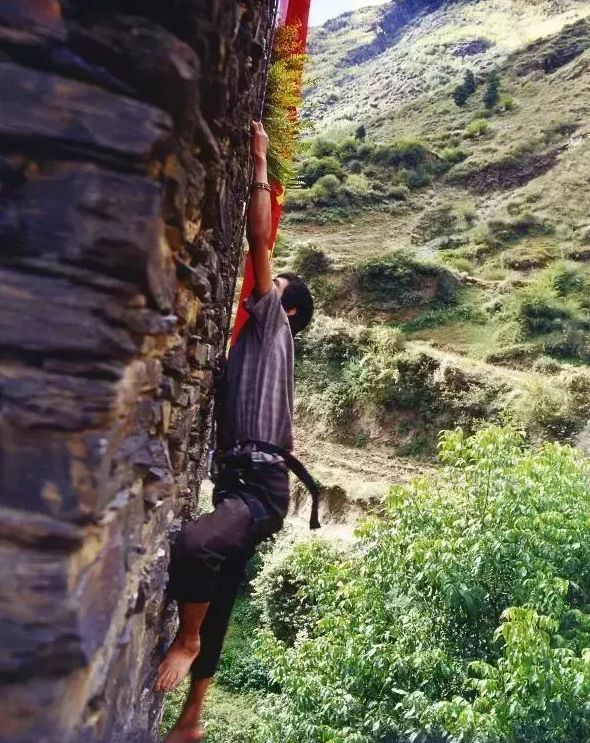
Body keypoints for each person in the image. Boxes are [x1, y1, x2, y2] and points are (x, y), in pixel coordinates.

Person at [155, 121, 315, 742]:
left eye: (274, 284)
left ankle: (188, 641)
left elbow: (257, 236)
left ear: (288, 307)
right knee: (219, 583)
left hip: (261, 488)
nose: (262, 284)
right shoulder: (251, 342)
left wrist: (258, 163)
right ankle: (192, 720)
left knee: (194, 548)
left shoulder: (273, 324)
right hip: (243, 481)